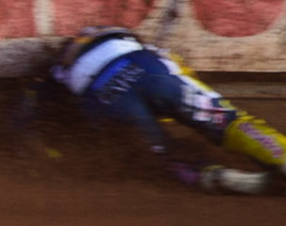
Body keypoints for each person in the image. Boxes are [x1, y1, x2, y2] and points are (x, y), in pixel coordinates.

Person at [25, 26, 286, 194]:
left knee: (161, 160)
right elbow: (178, 68)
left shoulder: (53, 74)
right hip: (148, 67)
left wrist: (56, 158)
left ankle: (212, 175)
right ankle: (279, 154)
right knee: (226, 120)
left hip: (102, 95)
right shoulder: (125, 38)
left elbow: (26, 120)